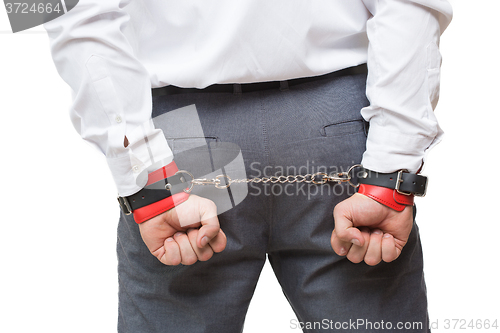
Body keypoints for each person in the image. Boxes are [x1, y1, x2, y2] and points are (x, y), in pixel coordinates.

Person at [44, 1, 452, 332]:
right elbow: (412, 6)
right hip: (339, 131)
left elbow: (57, 9)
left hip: (179, 137)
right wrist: (391, 170)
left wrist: (145, 171)